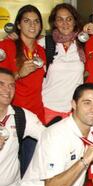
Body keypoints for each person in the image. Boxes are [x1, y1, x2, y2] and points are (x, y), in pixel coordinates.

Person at [0, 68, 44, 186]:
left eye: (11, 85)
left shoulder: (20, 116)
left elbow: (50, 137)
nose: (7, 90)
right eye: (1, 84)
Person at [0, 5, 46, 176]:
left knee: (30, 172)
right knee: (7, 172)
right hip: (14, 117)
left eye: (36, 22)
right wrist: (19, 73)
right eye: (27, 21)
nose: (32, 25)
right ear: (18, 25)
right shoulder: (6, 46)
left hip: (35, 116)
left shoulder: (41, 50)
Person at [40, 3, 85, 124]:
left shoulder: (83, 43)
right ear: (54, 23)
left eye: (69, 19)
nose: (65, 23)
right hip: (48, 108)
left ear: (75, 21)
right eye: (60, 19)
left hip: (75, 111)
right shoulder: (45, 43)